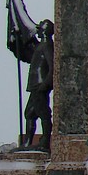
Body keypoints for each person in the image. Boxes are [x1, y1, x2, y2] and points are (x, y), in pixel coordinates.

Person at [23, 19, 55, 151]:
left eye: (41, 25)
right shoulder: (41, 45)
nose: (39, 26)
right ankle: (28, 143)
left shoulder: (47, 45)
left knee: (43, 113)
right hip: (35, 85)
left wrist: (46, 83)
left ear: (45, 30)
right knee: (30, 113)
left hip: (40, 85)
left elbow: (53, 66)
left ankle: (45, 141)